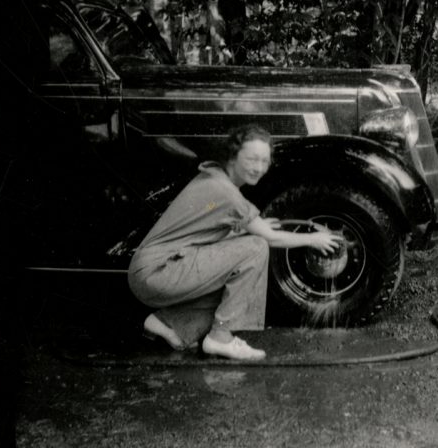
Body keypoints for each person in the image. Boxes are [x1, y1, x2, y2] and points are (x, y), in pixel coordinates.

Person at [128, 125, 341, 361]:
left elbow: (203, 231)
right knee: (255, 250)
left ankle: (170, 324)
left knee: (237, 280)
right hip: (158, 271)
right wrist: (315, 239)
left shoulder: (214, 177)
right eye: (251, 159)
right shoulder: (228, 194)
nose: (259, 168)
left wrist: (250, 226)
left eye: (264, 161)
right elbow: (270, 238)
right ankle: (220, 338)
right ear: (233, 155)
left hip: (154, 271)